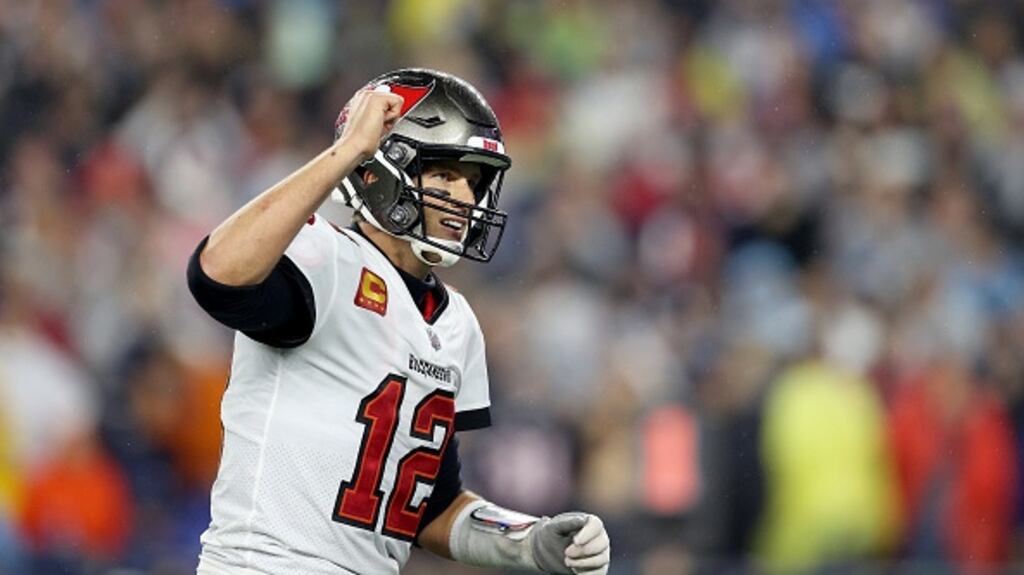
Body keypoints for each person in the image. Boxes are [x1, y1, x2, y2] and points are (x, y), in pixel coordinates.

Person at [186, 68, 611, 575]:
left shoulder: (456, 323)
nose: (466, 198)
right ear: (379, 173)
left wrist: (528, 540)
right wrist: (345, 152)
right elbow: (216, 275)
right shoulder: (327, 257)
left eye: (474, 181)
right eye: (446, 174)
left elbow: (430, 505)